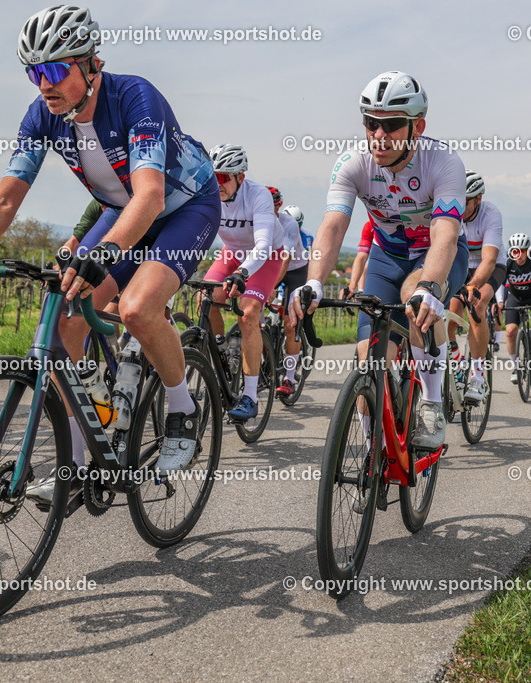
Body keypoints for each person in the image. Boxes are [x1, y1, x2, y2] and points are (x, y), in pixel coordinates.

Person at [0, 5, 221, 500]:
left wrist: (101, 252)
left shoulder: (135, 97)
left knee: (137, 307)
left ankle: (182, 407)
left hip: (183, 207)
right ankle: (80, 464)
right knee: (62, 322)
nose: (45, 84)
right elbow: (5, 197)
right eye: (34, 72)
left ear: (90, 64)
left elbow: (150, 196)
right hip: (119, 209)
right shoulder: (43, 115)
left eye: (56, 69)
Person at [290, 70, 467, 451]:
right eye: (371, 124)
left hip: (438, 253)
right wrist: (314, 281)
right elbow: (333, 226)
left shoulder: (444, 162)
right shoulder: (354, 163)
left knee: (414, 295)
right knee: (367, 356)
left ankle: (432, 403)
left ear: (416, 127)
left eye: (391, 125)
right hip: (388, 255)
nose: (379, 136)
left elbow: (446, 235)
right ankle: (372, 450)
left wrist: (430, 286)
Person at [200, 145, 284, 421]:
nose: (218, 184)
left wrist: (243, 273)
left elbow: (262, 245)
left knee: (248, 315)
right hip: (231, 252)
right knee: (206, 299)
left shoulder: (257, 196)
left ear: (240, 178)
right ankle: (222, 354)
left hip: (266, 256)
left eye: (224, 178)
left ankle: (250, 395)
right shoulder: (208, 193)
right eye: (213, 177)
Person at [449, 169, 505, 404]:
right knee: (447, 316)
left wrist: (472, 286)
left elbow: (489, 260)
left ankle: (478, 377)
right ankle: (456, 363)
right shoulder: (452, 213)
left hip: (490, 268)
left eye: (465, 202)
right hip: (462, 265)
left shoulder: (491, 214)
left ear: (478, 199)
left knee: (478, 304)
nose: (460, 207)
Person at [269, 188, 309, 397]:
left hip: (295, 271)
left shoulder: (289, 224)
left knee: (290, 323)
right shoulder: (256, 220)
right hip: (271, 266)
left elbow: (285, 259)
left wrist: (270, 286)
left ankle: (289, 378)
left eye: (275, 206)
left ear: (279, 205)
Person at [495, 233, 531, 382]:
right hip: (515, 297)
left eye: (522, 251)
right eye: (516, 250)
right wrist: (500, 302)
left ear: (527, 250)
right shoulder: (507, 261)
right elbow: (500, 282)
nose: (519, 255)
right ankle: (516, 367)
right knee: (510, 331)